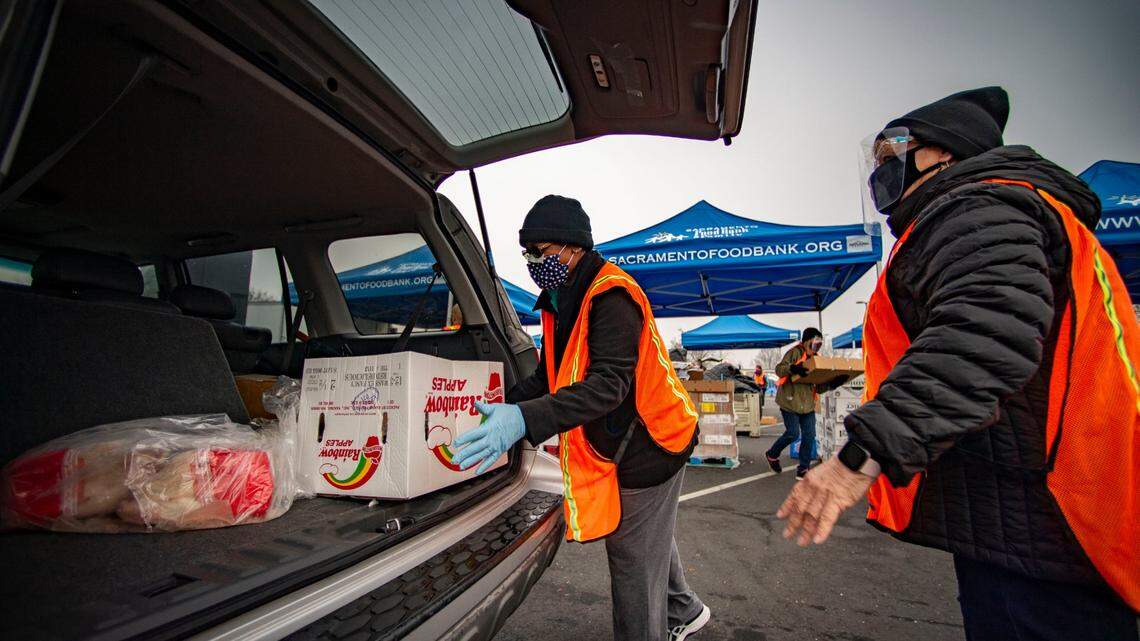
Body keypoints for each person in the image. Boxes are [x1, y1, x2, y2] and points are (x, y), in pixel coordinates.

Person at [776, 87, 1139, 640]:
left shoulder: (976, 209)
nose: (882, 170)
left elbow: (984, 333)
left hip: (1047, 521)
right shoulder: (996, 212)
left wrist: (858, 458)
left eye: (894, 153)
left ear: (942, 153)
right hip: (1045, 512)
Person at [453, 195, 711, 641]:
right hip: (627, 437)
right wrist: (505, 404)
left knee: (632, 555)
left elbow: (609, 385)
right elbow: (549, 375)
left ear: (576, 248)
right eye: (528, 253)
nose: (535, 262)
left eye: (544, 252)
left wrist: (524, 420)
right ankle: (685, 608)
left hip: (653, 442)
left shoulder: (611, 295)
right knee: (650, 534)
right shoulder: (559, 298)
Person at [765, 328, 830, 479]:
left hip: (807, 405)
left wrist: (832, 383)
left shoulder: (816, 359)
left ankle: (803, 468)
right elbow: (779, 369)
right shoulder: (795, 353)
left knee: (809, 436)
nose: (817, 347)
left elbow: (819, 387)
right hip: (790, 402)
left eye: (820, 344)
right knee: (793, 433)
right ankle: (772, 454)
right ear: (807, 341)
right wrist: (793, 368)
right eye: (815, 343)